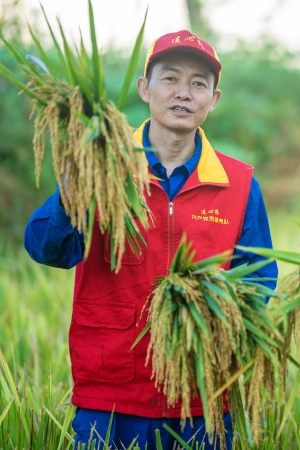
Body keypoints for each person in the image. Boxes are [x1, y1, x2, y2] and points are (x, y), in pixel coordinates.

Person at [24, 30, 278, 450]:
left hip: (203, 399)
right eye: (170, 78)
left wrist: (214, 313)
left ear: (213, 99)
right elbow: (46, 249)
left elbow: (259, 280)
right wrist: (76, 178)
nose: (183, 92)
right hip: (111, 398)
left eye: (199, 83)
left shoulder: (240, 184)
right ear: (145, 88)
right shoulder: (104, 168)